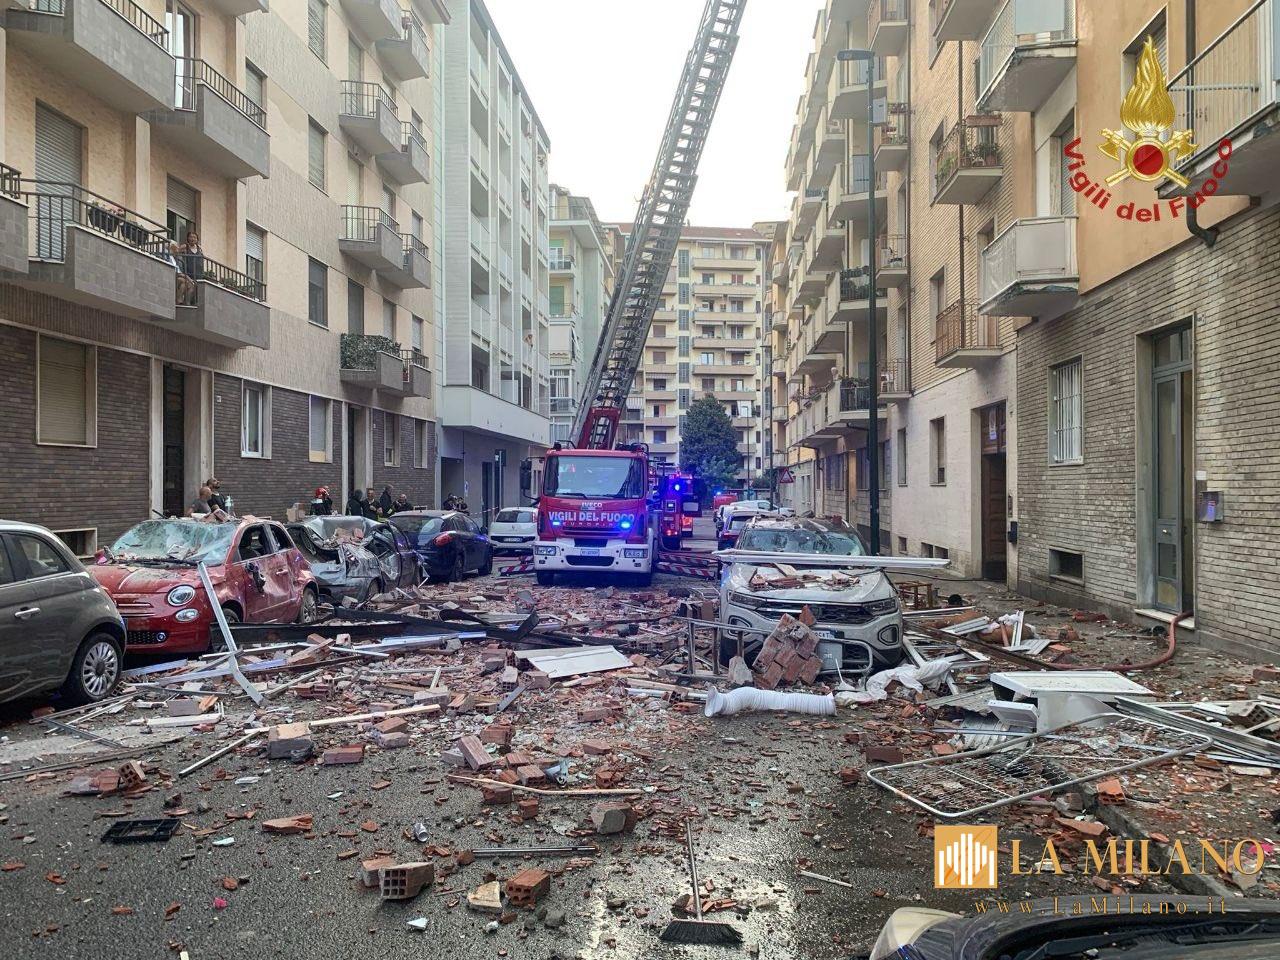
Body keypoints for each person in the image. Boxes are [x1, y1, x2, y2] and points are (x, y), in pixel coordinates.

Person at [180, 230, 204, 303]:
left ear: (197, 239)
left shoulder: (199, 248)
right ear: (188, 238)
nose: (193, 239)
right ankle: (187, 303)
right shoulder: (185, 246)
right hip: (188, 273)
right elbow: (176, 251)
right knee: (191, 287)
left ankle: (192, 303)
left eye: (195, 237)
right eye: (191, 237)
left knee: (197, 290)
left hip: (198, 273)